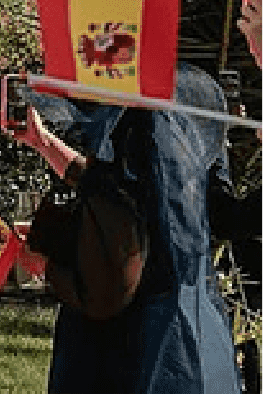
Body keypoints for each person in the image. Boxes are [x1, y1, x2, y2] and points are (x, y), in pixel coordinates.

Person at [14, 63, 255, 393]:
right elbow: (220, 214)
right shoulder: (193, 111)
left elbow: (108, 288)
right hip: (196, 334)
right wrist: (44, 143)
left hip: (127, 351)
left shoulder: (127, 122)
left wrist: (45, 266)